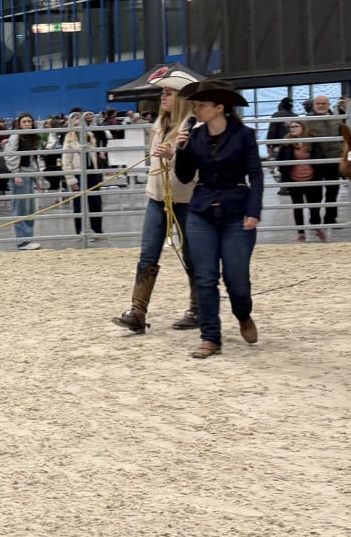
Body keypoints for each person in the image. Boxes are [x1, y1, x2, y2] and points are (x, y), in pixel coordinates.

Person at [172, 79, 262, 359]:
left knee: (236, 279)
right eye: (195, 104)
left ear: (219, 107)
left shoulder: (244, 135)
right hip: (202, 211)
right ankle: (210, 337)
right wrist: (181, 151)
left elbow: (256, 174)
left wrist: (254, 210)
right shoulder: (194, 136)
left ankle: (243, 313)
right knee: (205, 277)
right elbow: (185, 176)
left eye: (201, 105)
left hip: (237, 210)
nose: (196, 110)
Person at [112, 68, 199, 334]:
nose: (163, 97)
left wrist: (173, 155)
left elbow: (195, 170)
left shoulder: (194, 127)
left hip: (185, 200)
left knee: (192, 255)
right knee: (147, 254)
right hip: (158, 199)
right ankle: (138, 311)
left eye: (169, 93)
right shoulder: (159, 126)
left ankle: (198, 308)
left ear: (181, 99)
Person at [276, 120, 326, 242]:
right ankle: (301, 233)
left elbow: (320, 156)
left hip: (312, 177)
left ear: (304, 127)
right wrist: (284, 175)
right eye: (291, 127)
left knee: (315, 205)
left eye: (296, 126)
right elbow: (281, 159)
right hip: (294, 179)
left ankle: (316, 226)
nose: (292, 129)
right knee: (297, 206)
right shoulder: (287, 142)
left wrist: (319, 173)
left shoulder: (313, 141)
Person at [302, 94, 344, 235]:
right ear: (314, 105)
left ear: (328, 104)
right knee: (315, 193)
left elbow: (344, 136)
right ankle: (314, 221)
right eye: (318, 103)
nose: (321, 105)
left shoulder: (337, 120)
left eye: (324, 103)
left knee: (333, 192)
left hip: (333, 161)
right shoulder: (307, 121)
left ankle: (330, 219)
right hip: (315, 161)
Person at [3, 112, 43, 250]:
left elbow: (35, 159)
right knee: (21, 208)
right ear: (19, 123)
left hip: (30, 174)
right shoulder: (15, 137)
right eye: (24, 122)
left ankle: (28, 237)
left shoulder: (33, 137)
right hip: (21, 174)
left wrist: (37, 177)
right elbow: (10, 156)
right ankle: (22, 241)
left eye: (29, 121)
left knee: (30, 208)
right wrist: (16, 173)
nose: (27, 124)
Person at [62, 110, 104, 235]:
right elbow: (66, 160)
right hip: (78, 174)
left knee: (95, 202)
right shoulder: (69, 138)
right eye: (75, 120)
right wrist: (71, 179)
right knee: (78, 204)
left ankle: (97, 229)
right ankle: (80, 230)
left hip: (92, 172)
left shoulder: (90, 135)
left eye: (80, 119)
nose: (78, 122)